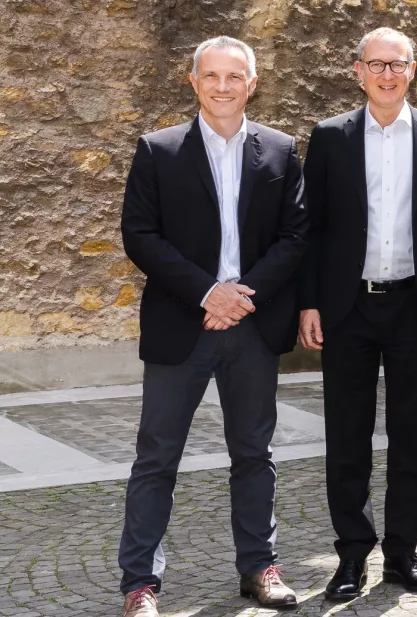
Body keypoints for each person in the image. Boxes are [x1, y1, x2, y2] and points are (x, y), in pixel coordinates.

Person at [118, 36, 308, 616]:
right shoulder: (158, 150)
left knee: (254, 453)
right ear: (193, 81)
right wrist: (208, 292)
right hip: (182, 323)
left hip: (251, 326)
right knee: (157, 457)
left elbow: (295, 236)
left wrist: (242, 297)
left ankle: (259, 567)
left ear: (252, 84)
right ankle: (140, 584)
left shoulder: (281, 150)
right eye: (212, 76)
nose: (223, 86)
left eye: (234, 76)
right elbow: (140, 235)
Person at [298, 28, 417, 600]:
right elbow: (310, 229)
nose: (387, 74)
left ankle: (402, 553)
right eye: (376, 64)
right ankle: (352, 554)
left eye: (397, 64)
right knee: (347, 437)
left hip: (415, 305)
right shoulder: (330, 137)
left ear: (412, 70)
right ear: (358, 71)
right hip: (347, 306)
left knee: (410, 437)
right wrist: (309, 301)